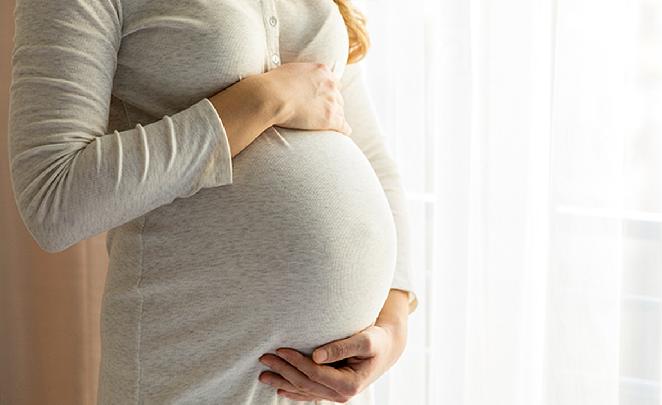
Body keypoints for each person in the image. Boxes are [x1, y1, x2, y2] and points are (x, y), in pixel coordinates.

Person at [7, 0, 418, 403]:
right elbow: (53, 198)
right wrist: (265, 100)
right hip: (193, 369)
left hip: (325, 385)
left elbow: (370, 154)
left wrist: (392, 329)